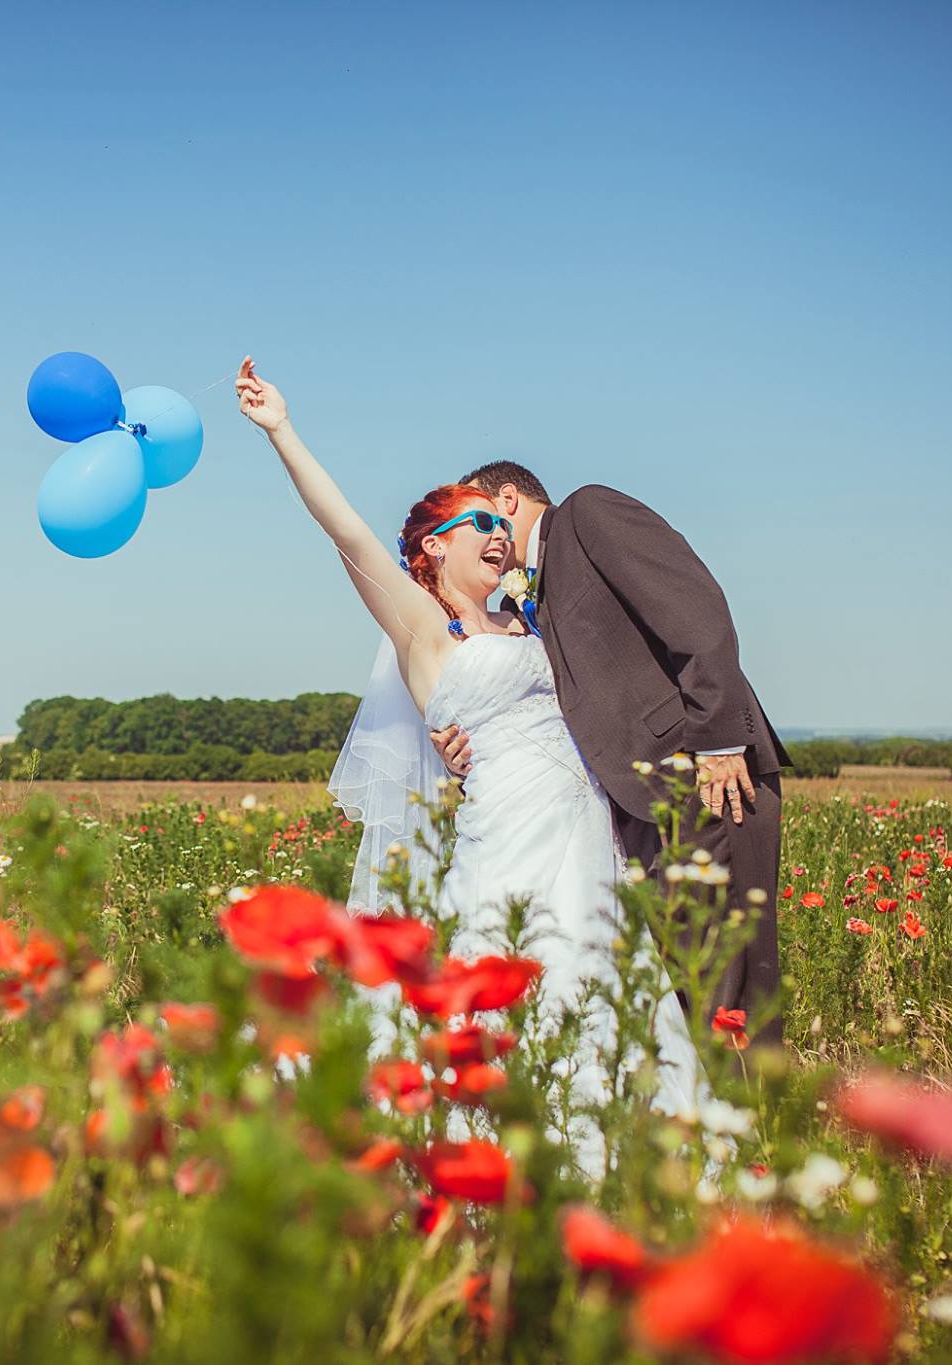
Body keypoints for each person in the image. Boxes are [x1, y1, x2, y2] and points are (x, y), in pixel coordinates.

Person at [235, 358, 703, 1165]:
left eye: (500, 523)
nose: (497, 534)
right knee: (509, 978)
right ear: (433, 545)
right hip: (506, 841)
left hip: (590, 837)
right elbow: (346, 530)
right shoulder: (421, 628)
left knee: (607, 983)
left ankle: (635, 1159)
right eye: (477, 523)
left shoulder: (532, 621)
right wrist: (282, 430)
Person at [434, 461, 790, 1048]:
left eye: (482, 518)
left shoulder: (587, 514)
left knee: (729, 984)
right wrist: (468, 742)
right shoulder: (531, 596)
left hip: (704, 778)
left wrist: (721, 741)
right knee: (686, 986)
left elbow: (694, 606)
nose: (484, 539)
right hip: (638, 807)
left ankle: (753, 1105)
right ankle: (707, 1105)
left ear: (508, 498)